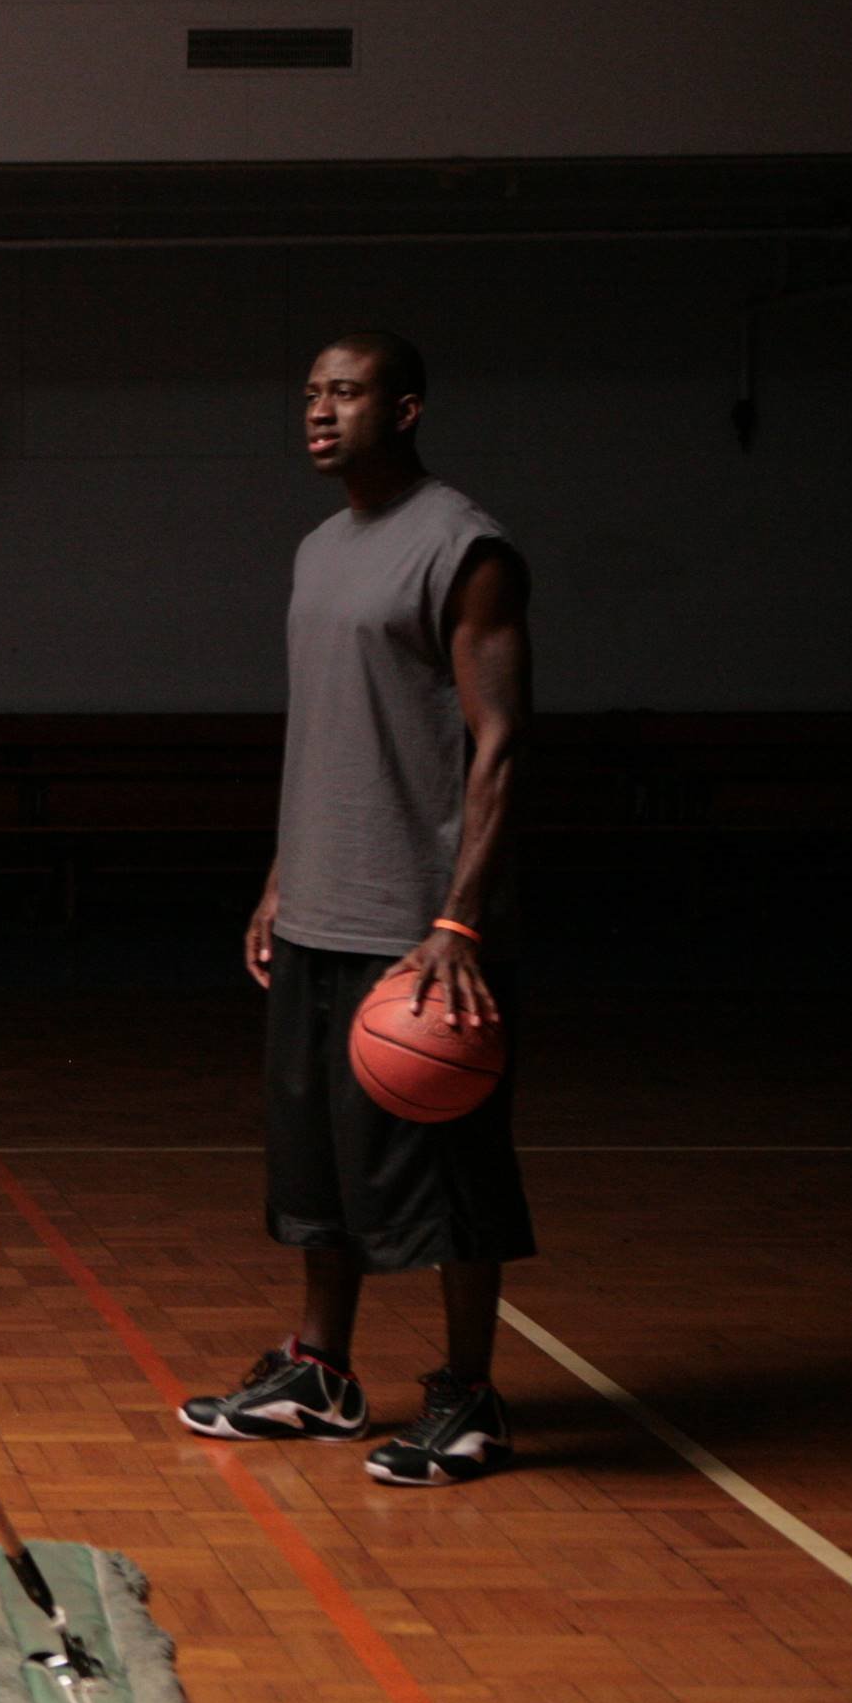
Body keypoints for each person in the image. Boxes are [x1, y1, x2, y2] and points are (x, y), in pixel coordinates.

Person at [181, 330, 537, 1487]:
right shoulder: (320, 548)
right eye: (310, 395)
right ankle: (322, 1377)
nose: (319, 413)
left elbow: (500, 742)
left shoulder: (465, 547)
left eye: (345, 392)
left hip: (421, 926)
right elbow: (327, 731)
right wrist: (285, 875)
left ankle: (471, 1400)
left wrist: (460, 920)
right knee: (316, 1171)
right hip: (322, 901)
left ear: (409, 407)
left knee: (448, 1176)